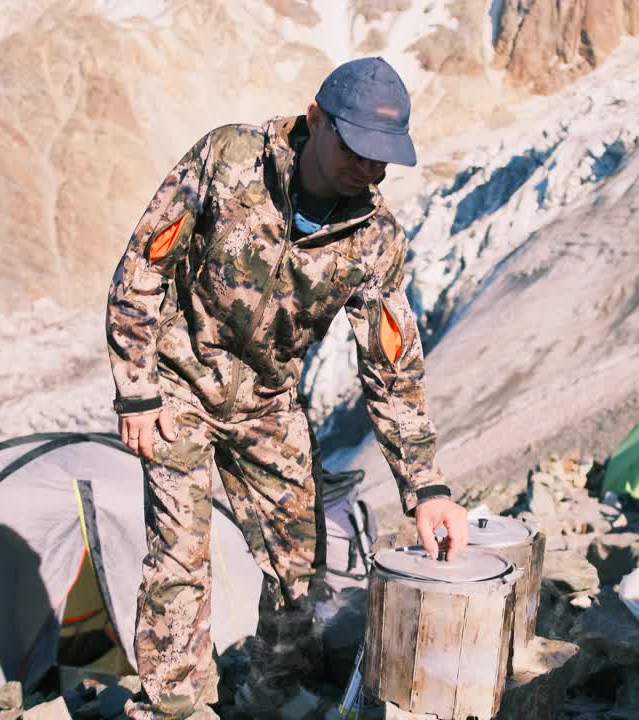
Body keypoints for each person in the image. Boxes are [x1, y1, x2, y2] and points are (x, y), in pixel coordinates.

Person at [105, 57, 469, 720]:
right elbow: (143, 266)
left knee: (300, 566)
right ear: (315, 121)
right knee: (180, 559)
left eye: (385, 158)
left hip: (268, 405)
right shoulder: (227, 160)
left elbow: (391, 366)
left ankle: (267, 698)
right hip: (180, 386)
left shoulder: (374, 240)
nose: (372, 171)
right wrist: (136, 390)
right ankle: (171, 709)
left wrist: (427, 488)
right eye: (359, 151)